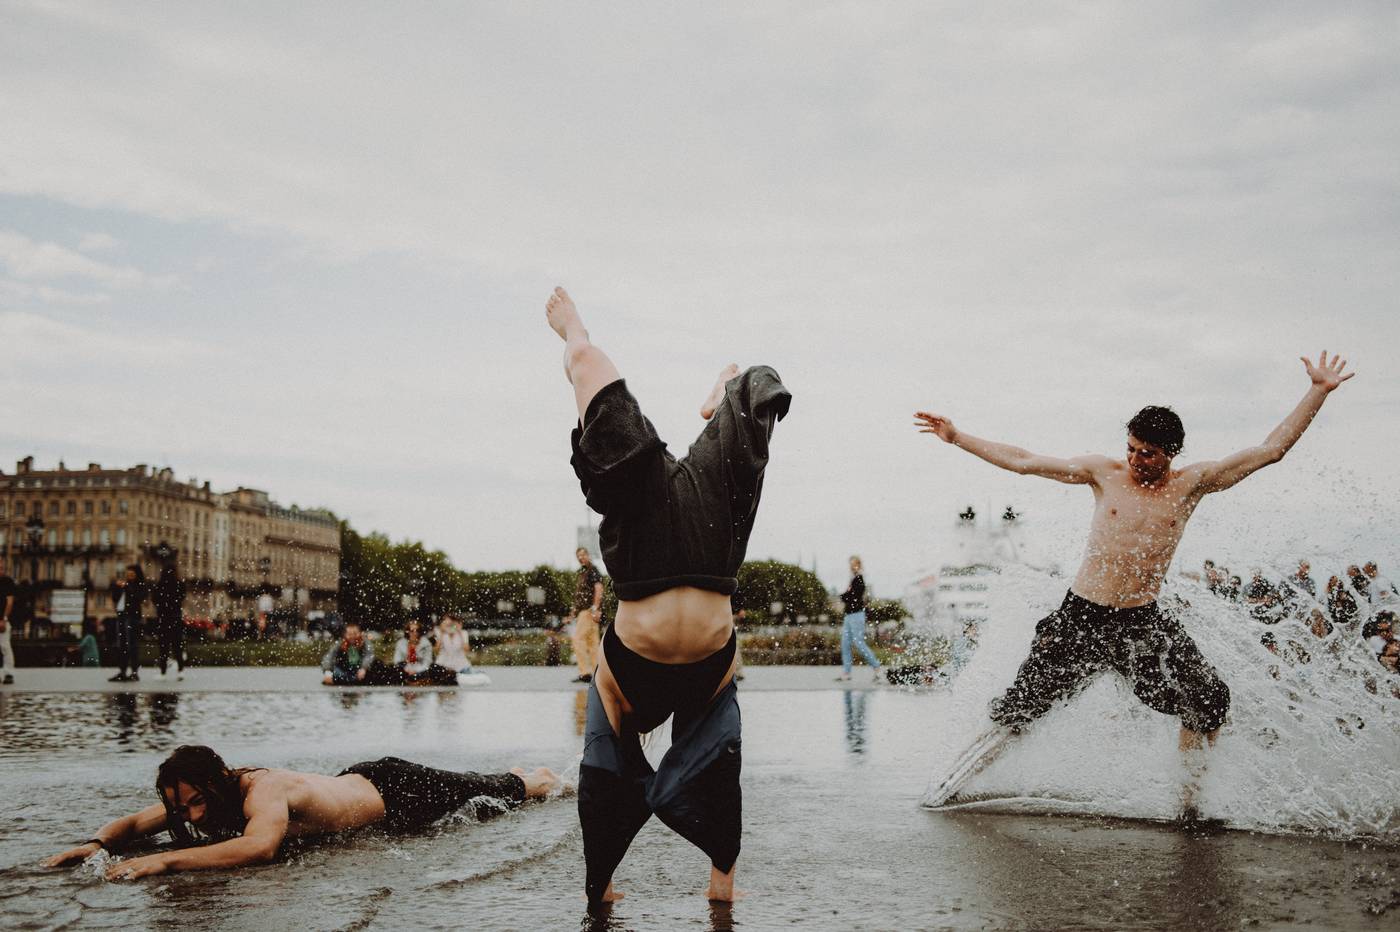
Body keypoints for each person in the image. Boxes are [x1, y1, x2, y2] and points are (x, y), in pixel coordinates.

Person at [914, 350, 1354, 817]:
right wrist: (957, 436)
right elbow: (1024, 461)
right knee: (1020, 708)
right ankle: (949, 786)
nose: (1136, 459)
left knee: (1210, 701)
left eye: (1147, 453)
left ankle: (1190, 806)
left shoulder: (1193, 484)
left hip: (1140, 624)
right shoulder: (1104, 474)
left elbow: (1270, 451)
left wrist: (1317, 391)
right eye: (1131, 448)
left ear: (1171, 453)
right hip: (1080, 617)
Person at [547, 286, 790, 905]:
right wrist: (597, 885)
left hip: (680, 554)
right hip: (689, 576)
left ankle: (716, 397)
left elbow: (606, 766)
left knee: (598, 371)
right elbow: (602, 776)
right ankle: (710, 399)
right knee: (590, 366)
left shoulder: (630, 484)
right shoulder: (624, 697)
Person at [42, 744, 560, 879]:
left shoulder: (259, 791)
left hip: (394, 788)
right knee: (489, 792)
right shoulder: (198, 799)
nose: (192, 817)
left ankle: (544, 777)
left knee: (502, 791)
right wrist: (98, 843)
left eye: (197, 802)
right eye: (182, 807)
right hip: (356, 789)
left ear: (216, 784)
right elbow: (135, 823)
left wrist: (162, 861)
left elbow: (260, 847)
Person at [836, 556, 882, 682]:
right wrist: (845, 595)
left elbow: (852, 596)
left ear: (859, 565)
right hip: (849, 615)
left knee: (859, 642)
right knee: (845, 644)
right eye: (850, 564)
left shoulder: (859, 580)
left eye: (854, 564)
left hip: (856, 615)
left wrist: (844, 595)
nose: (852, 567)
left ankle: (876, 667)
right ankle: (846, 673)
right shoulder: (853, 580)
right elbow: (848, 596)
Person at [570, 548, 605, 683]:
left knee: (578, 639)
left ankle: (585, 673)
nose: (581, 557)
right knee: (592, 643)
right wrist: (573, 613)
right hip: (588, 611)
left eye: (583, 554)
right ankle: (597, 673)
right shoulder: (584, 572)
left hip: (587, 611)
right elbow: (581, 596)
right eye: (578, 555)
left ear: (588, 555)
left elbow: (598, 588)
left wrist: (595, 608)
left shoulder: (592, 571)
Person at [109, 564, 148, 682]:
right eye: (128, 573)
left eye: (132, 574)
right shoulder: (123, 584)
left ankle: (134, 672)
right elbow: (115, 598)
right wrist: (116, 587)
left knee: (132, 644)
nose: (129, 576)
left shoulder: (139, 585)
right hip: (121, 615)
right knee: (121, 645)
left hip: (132, 616)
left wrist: (127, 587)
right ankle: (122, 671)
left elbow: (139, 598)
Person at [392, 620, 456, 686]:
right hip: (405, 670)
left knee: (436, 669)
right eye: (412, 630)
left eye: (417, 630)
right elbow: (397, 660)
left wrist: (416, 671)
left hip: (422, 670)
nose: (415, 633)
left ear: (420, 632)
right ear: (407, 632)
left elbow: (427, 662)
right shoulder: (400, 643)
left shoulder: (426, 643)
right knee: (393, 670)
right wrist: (408, 670)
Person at [152, 560, 187, 681]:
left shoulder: (159, 585)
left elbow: (155, 600)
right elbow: (182, 597)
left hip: (163, 618)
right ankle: (180, 670)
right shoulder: (179, 584)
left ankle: (163, 672)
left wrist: (162, 606)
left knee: (163, 646)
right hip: (175, 617)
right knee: (177, 645)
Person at [0, 556, 16, 685]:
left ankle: (8, 673)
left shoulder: (7, 582)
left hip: (2, 620)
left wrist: (4, 619)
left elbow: (9, 602)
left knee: (4, 646)